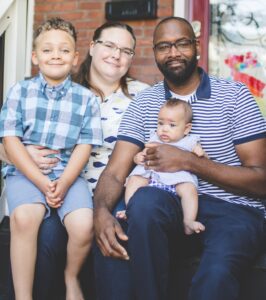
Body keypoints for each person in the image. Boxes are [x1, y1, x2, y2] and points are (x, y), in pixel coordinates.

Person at [93, 16, 266, 300]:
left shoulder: (234, 95)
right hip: (168, 203)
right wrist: (100, 212)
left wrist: (188, 161)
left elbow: (261, 179)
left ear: (196, 46)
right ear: (154, 53)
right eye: (163, 46)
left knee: (216, 275)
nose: (173, 53)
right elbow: (115, 171)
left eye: (181, 43)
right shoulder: (145, 103)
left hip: (233, 210)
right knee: (132, 214)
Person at [0, 21, 149, 299]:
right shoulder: (47, 87)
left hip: (105, 192)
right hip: (48, 184)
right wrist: (19, 153)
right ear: (91, 48)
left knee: (102, 230)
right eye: (109, 45)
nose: (116, 54)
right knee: (42, 235)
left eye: (125, 50)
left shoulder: (142, 96)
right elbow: (9, 138)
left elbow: (160, 139)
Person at [0, 18, 103, 300]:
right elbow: (10, 139)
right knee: (23, 217)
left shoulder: (86, 99)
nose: (55, 55)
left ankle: (70, 278)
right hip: (25, 173)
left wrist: (66, 180)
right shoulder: (19, 92)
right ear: (35, 57)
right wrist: (43, 183)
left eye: (64, 50)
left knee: (83, 224)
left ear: (75, 58)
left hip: (68, 173)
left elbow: (84, 145)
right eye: (47, 50)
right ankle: (23, 296)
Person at [117, 98, 205, 235]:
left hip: (177, 180)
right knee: (135, 180)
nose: (164, 129)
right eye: (160, 123)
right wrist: (138, 157)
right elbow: (144, 153)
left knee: (189, 189)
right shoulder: (154, 138)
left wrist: (200, 153)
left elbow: (203, 160)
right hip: (151, 178)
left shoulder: (190, 141)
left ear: (187, 128)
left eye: (172, 125)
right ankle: (130, 210)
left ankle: (188, 220)